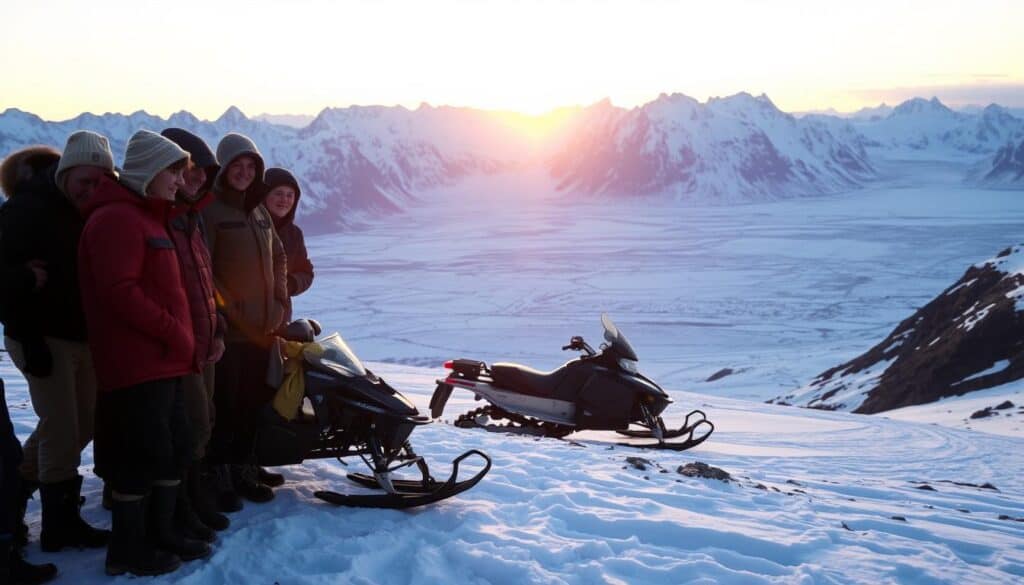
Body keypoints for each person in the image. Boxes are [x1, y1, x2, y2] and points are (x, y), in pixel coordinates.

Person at [78, 130, 210, 576]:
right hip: (137, 364)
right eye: (173, 171)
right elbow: (119, 292)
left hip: (163, 360)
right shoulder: (117, 219)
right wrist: (174, 330)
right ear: (149, 171)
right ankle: (129, 549)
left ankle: (162, 532)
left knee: (170, 449)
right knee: (136, 458)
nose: (179, 181)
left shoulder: (149, 217)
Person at [0, 134, 112, 553]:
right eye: (85, 180)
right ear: (65, 173)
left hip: (80, 335)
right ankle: (59, 526)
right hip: (40, 336)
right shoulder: (25, 211)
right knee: (63, 429)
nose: (92, 189)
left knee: (81, 424)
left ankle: (16, 488)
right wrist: (32, 340)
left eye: (102, 180)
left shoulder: (86, 209)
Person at [201, 133, 288, 508]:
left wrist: (281, 302)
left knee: (253, 404)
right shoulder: (211, 210)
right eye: (237, 165)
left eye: (251, 166)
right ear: (223, 169)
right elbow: (204, 270)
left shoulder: (258, 211)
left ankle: (243, 468)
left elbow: (280, 257)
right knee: (227, 407)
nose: (244, 172)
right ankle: (218, 475)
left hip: (263, 330)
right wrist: (226, 312)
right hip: (231, 333)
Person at [159, 128, 229, 537]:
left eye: (205, 171)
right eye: (190, 170)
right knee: (189, 424)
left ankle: (190, 500)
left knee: (203, 421)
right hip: (179, 343)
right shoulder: (163, 217)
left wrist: (218, 327)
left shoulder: (192, 217)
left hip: (205, 340)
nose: (199, 177)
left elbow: (208, 283)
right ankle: (182, 506)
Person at [263, 167, 315, 325]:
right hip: (248, 322)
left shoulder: (294, 234)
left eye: (289, 195)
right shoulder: (249, 227)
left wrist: (290, 284)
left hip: (281, 319)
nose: (284, 200)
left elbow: (306, 272)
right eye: (278, 193)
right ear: (264, 195)